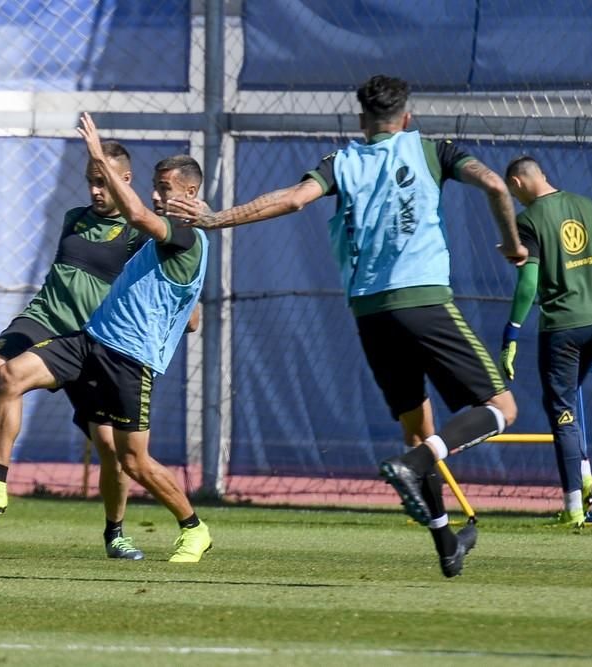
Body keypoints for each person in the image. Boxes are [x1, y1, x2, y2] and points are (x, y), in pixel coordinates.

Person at [167, 74, 527, 577]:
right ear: (406, 117)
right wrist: (512, 245)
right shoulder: (431, 150)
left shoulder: (342, 162)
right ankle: (416, 468)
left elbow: (292, 199)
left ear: (362, 120)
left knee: (416, 429)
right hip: (423, 299)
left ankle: (446, 541)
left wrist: (214, 219)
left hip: (369, 312)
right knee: (502, 407)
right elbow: (493, 183)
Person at [0, 141, 200, 559]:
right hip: (45, 323)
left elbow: (181, 294)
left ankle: (116, 532)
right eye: (91, 182)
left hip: (97, 341)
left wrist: (181, 311)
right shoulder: (74, 219)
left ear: (123, 181)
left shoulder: (143, 234)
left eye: (103, 181)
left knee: (114, 451)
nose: (95, 191)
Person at [499, 156, 592, 529]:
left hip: (562, 329)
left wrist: (511, 333)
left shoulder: (527, 221)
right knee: (565, 405)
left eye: (511, 190)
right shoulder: (587, 205)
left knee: (560, 411)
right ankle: (586, 477)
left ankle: (574, 506)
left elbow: (528, 284)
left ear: (517, 182)